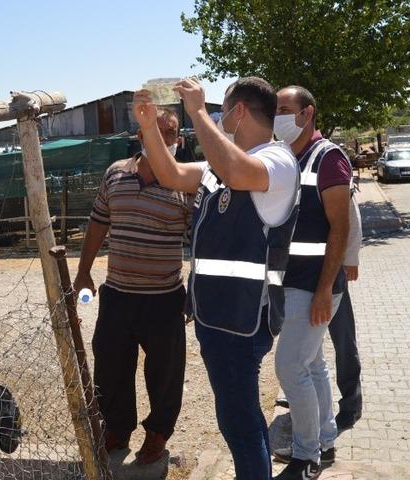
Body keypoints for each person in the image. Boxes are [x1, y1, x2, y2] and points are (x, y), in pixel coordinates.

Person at [132, 77, 299, 479]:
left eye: (224, 110)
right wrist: (149, 125)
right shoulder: (217, 166)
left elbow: (239, 172)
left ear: (239, 111)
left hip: (243, 320)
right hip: (215, 317)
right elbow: (170, 173)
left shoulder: (277, 161)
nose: (219, 118)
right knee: (241, 419)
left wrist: (197, 111)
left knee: (238, 426)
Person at [73, 109, 192, 465]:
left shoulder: (187, 183)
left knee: (165, 373)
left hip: (164, 298)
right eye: (154, 131)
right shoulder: (115, 174)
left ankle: (157, 435)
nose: (163, 138)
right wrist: (83, 273)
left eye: (169, 133)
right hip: (118, 294)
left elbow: (202, 240)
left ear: (178, 139)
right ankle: (117, 430)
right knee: (110, 366)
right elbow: (97, 223)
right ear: (140, 136)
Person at [270, 86, 351, 479]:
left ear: (308, 113)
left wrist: (324, 289)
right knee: (313, 363)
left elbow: (340, 227)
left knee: (290, 368)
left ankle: (306, 456)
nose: (278, 116)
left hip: (314, 286)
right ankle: (325, 440)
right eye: (275, 110)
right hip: (292, 283)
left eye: (285, 109)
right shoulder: (288, 157)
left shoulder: (328, 157)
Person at [328, 195, 363, 433]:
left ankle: (351, 404)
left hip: (331, 270)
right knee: (304, 348)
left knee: (343, 340)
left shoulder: (327, 159)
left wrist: (351, 259)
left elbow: (350, 213)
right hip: (299, 274)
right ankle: (301, 397)